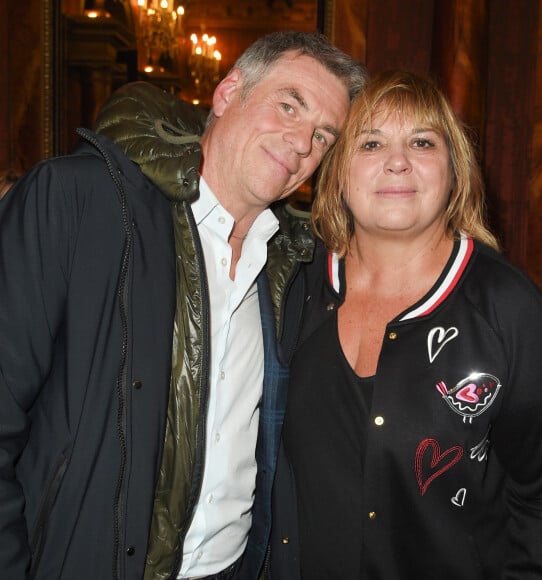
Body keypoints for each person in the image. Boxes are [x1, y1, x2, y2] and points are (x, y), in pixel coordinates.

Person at [0, 31, 368, 580]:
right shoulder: (78, 203)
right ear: (227, 93)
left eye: (322, 135)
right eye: (288, 105)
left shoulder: (300, 269)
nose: (300, 142)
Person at [269, 70, 542, 579]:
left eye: (421, 141)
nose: (397, 161)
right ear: (337, 171)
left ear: (454, 169)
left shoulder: (507, 309)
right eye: (371, 143)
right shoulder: (293, 283)